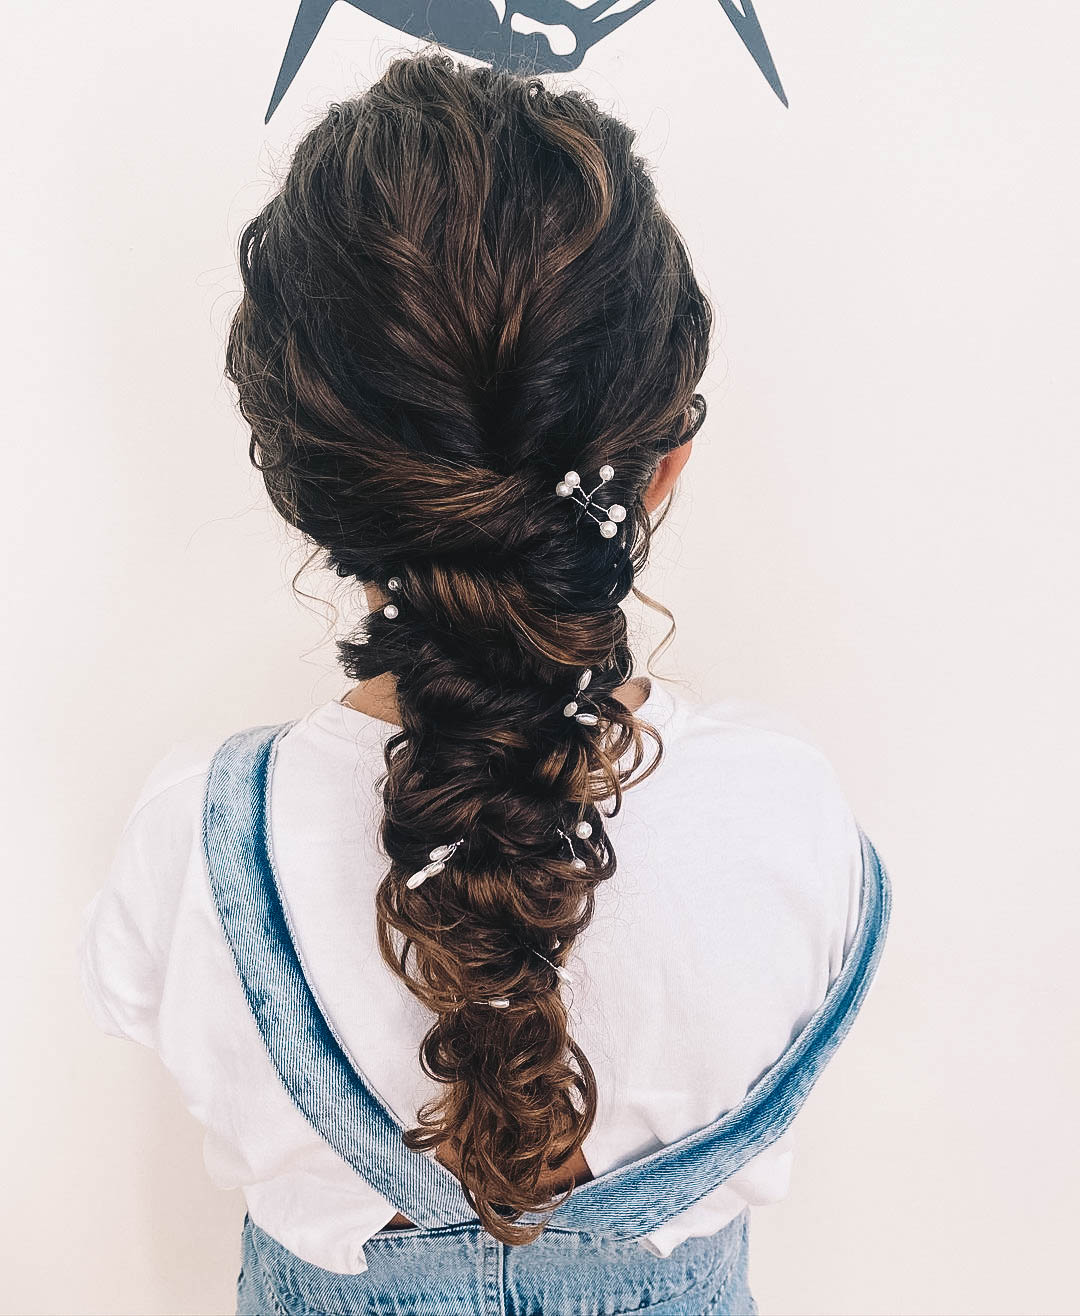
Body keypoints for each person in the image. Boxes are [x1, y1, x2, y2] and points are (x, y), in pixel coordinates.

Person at [79, 51, 890, 1316]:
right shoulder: (792, 818)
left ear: (312, 491)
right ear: (663, 466)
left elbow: (139, 1002)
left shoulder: (195, 836)